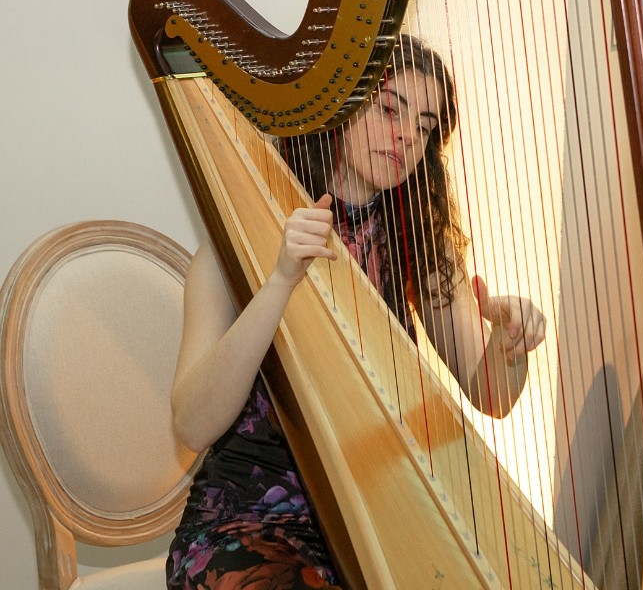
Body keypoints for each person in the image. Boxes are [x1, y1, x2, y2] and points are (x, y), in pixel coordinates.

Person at [165, 33, 546, 590]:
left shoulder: (417, 240)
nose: (405, 136)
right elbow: (192, 425)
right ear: (339, 105)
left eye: (424, 125)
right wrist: (279, 283)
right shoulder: (239, 237)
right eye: (389, 107)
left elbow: (490, 392)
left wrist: (509, 347)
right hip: (247, 525)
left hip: (379, 517)